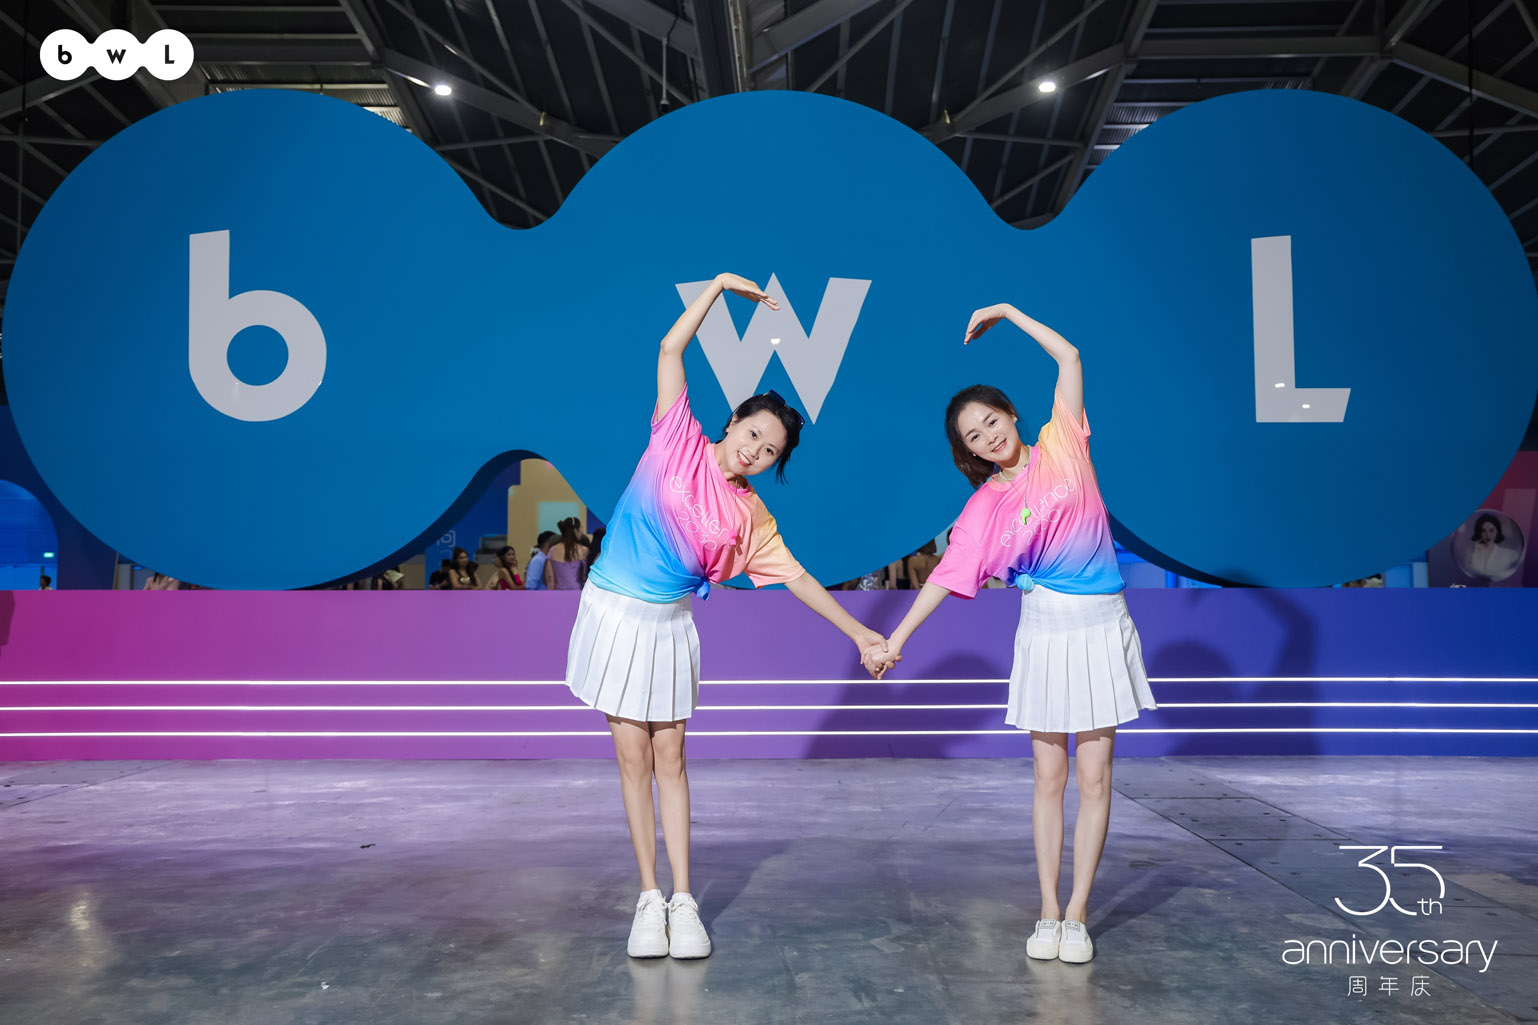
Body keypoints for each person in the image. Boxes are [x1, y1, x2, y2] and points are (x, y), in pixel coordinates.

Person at [566, 272, 889, 962]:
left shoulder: (750, 516)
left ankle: (684, 899)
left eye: (771, 451)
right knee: (631, 758)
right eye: (753, 433)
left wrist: (860, 632)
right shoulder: (675, 437)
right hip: (614, 612)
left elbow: (798, 578)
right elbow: (669, 349)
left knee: (672, 757)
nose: (756, 451)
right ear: (733, 421)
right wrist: (714, 288)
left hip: (668, 627)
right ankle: (648, 896)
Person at [865, 302, 1156, 966]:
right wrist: (896, 638)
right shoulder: (983, 507)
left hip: (1100, 625)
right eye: (974, 435)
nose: (988, 436)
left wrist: (1008, 313)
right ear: (967, 451)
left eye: (991, 420)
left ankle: (1077, 915)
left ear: (1013, 415)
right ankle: (1048, 910)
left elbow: (1070, 356)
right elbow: (945, 577)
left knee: (1095, 777)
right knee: (1049, 777)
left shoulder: (1064, 440)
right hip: (1046, 632)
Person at [545, 517, 589, 590]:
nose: (582, 531)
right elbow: (584, 576)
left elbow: (550, 577)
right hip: (577, 591)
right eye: (581, 527)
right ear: (576, 530)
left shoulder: (552, 550)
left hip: (557, 592)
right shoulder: (583, 550)